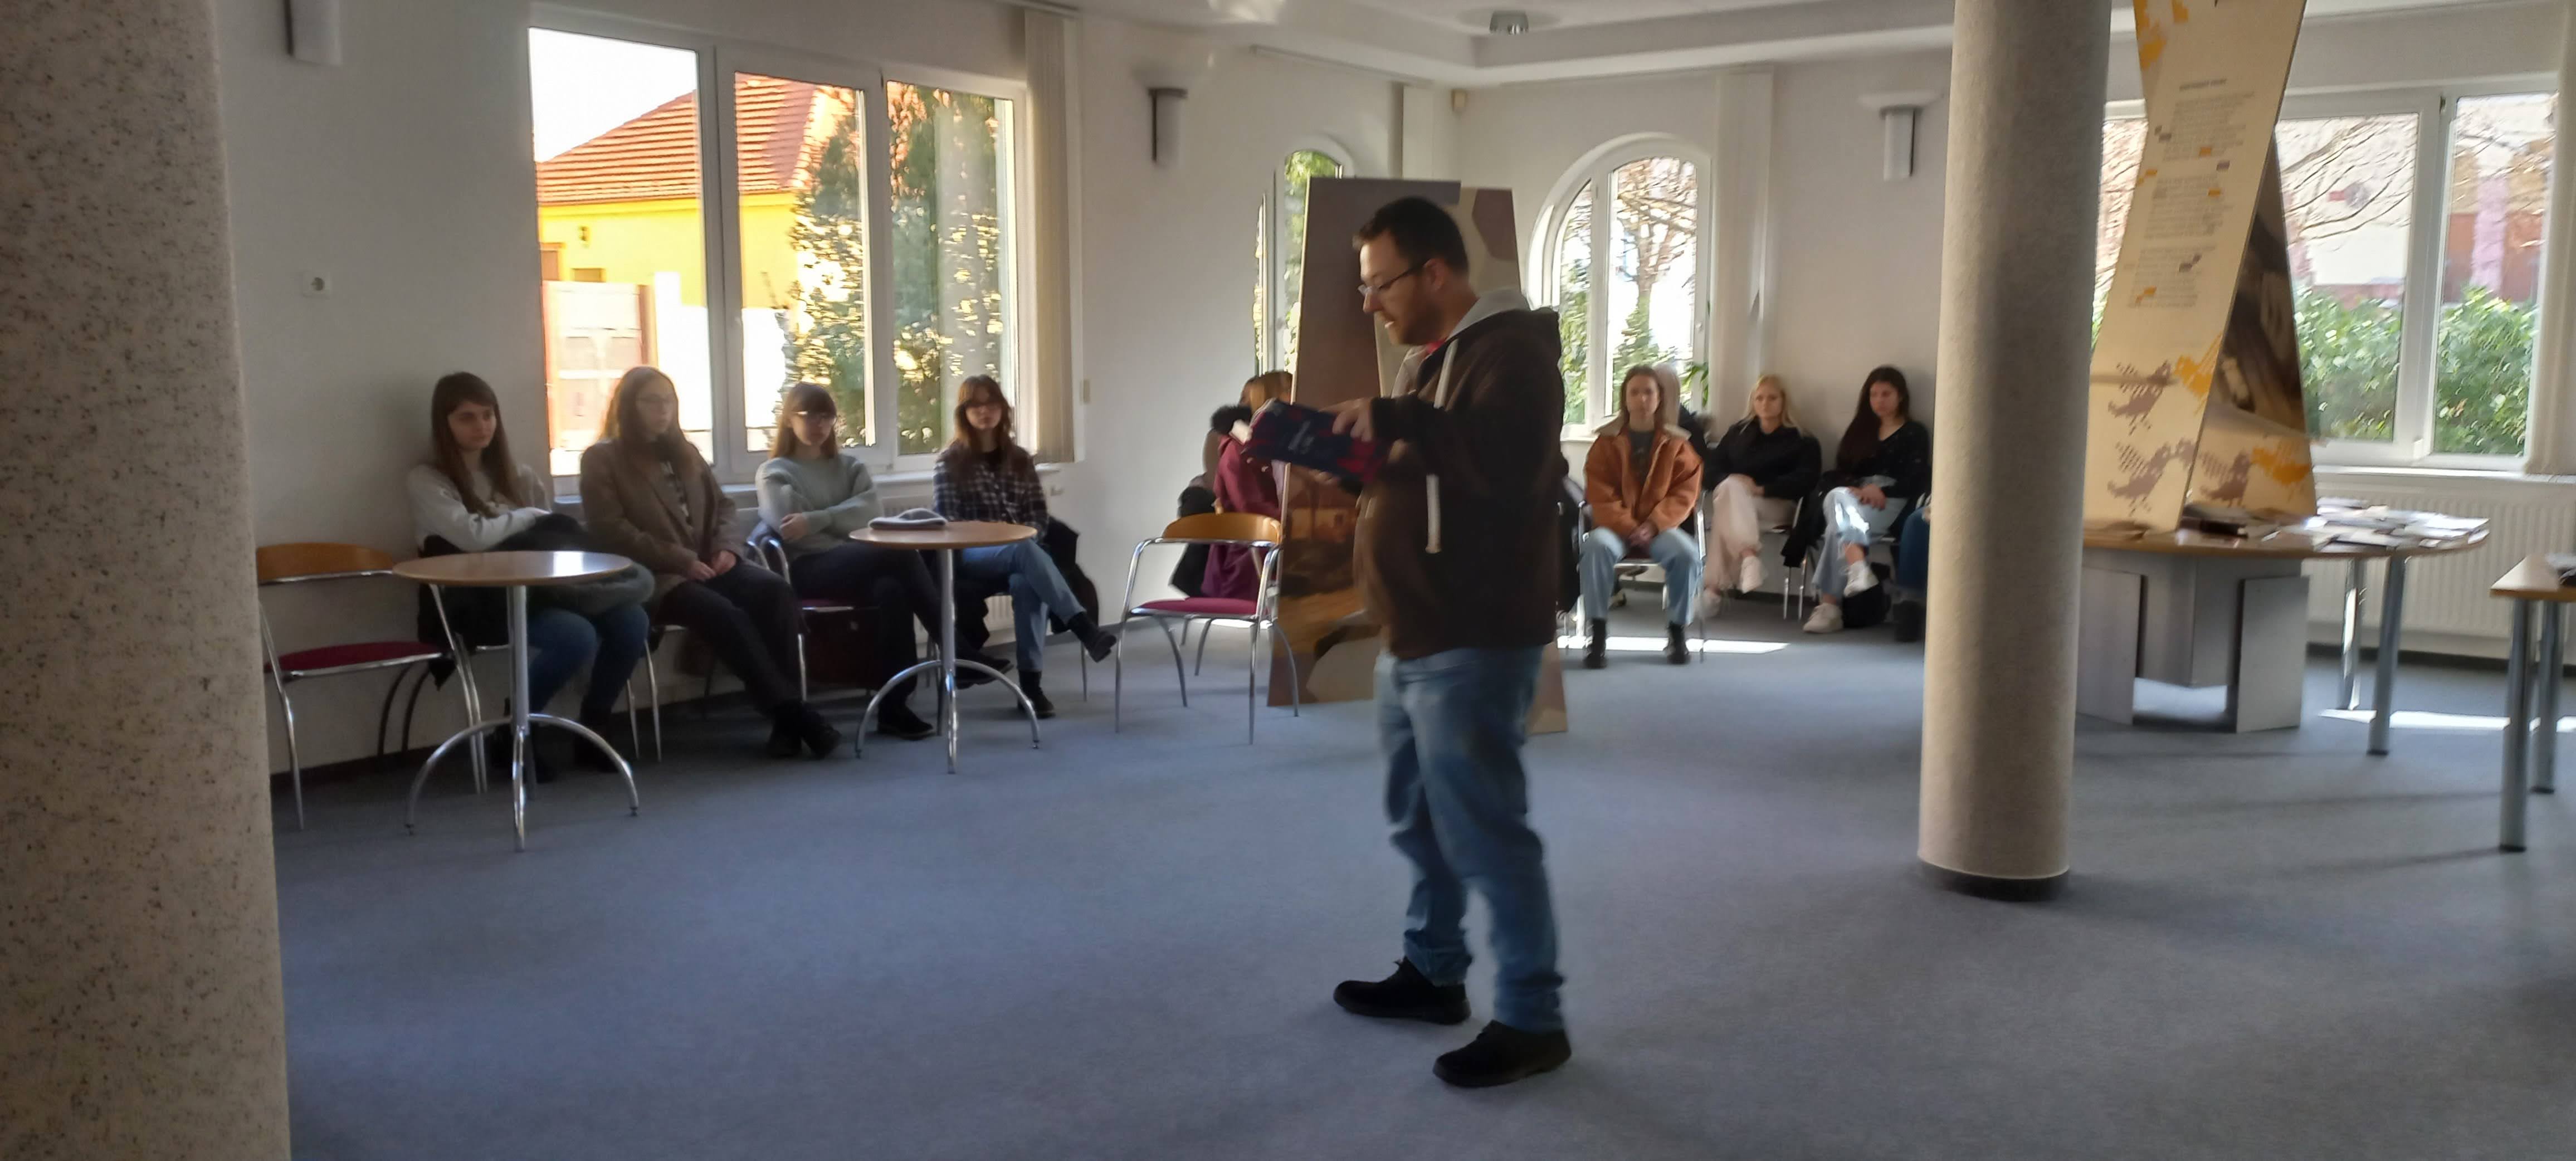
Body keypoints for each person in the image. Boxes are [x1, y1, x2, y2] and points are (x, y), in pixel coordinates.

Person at [1325, 195, 1572, 1088]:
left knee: (1488, 832)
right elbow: (1434, 474)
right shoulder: (1433, 363)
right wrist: (1347, 456)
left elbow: (1505, 464)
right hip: (1418, 634)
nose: (1370, 302)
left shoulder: (1514, 353)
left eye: (1380, 283)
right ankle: (1434, 973)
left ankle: (1534, 1019)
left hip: (1475, 635)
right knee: (1422, 821)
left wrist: (1398, 421)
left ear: (1434, 272)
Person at [579, 366, 841, 758]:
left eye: (668, 401)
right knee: (723, 614)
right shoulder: (603, 458)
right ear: (628, 406)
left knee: (775, 591)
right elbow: (611, 530)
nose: (662, 410)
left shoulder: (685, 452)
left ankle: (787, 725)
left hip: (713, 564)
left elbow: (723, 507)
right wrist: (680, 560)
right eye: (651, 401)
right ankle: (794, 714)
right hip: (658, 576)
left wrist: (727, 549)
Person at [408, 371, 649, 778]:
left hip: (543, 590)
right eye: (467, 417)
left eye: (488, 415)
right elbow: (472, 537)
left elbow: (548, 539)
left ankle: (594, 726)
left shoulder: (519, 476)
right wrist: (526, 515)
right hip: (478, 600)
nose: (481, 426)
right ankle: (514, 731)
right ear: (444, 423)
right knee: (575, 636)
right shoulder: (427, 480)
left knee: (632, 620)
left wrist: (527, 518)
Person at [754, 383, 938, 742]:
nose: (819, 424)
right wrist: (841, 522)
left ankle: (894, 706)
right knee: (900, 552)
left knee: (893, 589)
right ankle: (956, 647)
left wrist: (818, 519)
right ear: (789, 419)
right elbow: (794, 530)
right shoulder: (774, 472)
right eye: (809, 416)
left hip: (857, 563)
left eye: (827, 417)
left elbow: (870, 513)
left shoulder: (850, 467)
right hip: (809, 569)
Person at [931, 374, 1118, 719]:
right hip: (972, 554)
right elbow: (949, 523)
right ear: (964, 412)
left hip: (1023, 552)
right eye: (976, 405)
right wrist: (1007, 538)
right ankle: (1083, 627)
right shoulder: (950, 462)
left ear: (1003, 409)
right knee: (1022, 549)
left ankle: (1031, 687)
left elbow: (1037, 514)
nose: (985, 411)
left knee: (1026, 580)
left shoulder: (1019, 458)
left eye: (992, 404)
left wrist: (1029, 536)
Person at [1577, 363, 1702, 667]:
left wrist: (1653, 525)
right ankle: (1598, 634)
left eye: (1649, 392)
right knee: (1595, 547)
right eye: (1635, 392)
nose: (1642, 399)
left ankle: (1677, 632)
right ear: (1625, 398)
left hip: (1659, 529)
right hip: (1614, 528)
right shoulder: (1606, 442)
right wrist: (1630, 526)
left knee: (1687, 554)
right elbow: (1599, 493)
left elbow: (1684, 493)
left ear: (1660, 398)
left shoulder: (1678, 444)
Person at [1803, 365, 1931, 634]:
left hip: (1890, 500)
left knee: (1835, 527)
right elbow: (1842, 469)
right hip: (1855, 496)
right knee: (1837, 497)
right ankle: (1857, 566)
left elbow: (1917, 478)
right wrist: (1861, 487)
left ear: (1900, 396)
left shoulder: (1914, 432)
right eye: (1874, 395)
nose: (1879, 401)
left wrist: (1882, 491)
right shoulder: (1860, 430)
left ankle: (1830, 607)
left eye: (1886, 394)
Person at [1699, 374, 1820, 605]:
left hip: (1780, 506)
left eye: (1772, 398)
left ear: (1784, 401)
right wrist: (1730, 479)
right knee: (1729, 494)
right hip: (1738, 503)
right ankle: (1748, 558)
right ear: (1753, 401)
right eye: (1759, 398)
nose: (1765, 404)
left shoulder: (1802, 439)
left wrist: (1761, 489)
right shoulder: (1739, 433)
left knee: (1727, 504)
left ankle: (1714, 590)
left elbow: (1806, 480)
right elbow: (1710, 470)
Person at [1203, 370, 1290, 601]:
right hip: (1249, 557)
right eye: (1289, 392)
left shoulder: (1280, 444)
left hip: (1273, 546)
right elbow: (1252, 508)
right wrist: (1296, 520)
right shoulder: (1237, 451)